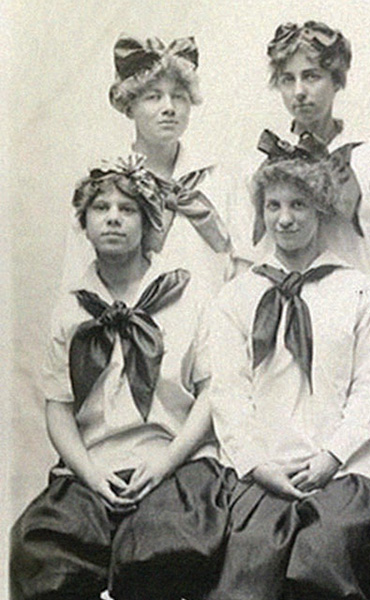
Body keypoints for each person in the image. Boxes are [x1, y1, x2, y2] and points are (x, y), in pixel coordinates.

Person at [10, 156, 227, 600]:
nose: (113, 217)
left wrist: (166, 463)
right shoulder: (71, 309)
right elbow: (59, 407)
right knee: (39, 552)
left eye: (127, 209)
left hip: (175, 465)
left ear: (148, 223)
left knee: (160, 556)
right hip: (92, 468)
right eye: (101, 208)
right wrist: (89, 473)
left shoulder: (189, 296)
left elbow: (210, 394)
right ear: (85, 223)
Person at [203, 131, 370, 600]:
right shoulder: (237, 296)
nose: (285, 219)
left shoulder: (355, 291)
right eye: (273, 206)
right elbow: (227, 393)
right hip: (261, 472)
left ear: (321, 209)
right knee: (251, 562)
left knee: (323, 561)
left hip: (342, 471)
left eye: (299, 205)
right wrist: (258, 465)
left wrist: (332, 457)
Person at [62, 35, 250, 300]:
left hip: (212, 332)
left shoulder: (220, 181)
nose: (169, 108)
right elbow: (78, 280)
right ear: (130, 107)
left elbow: (244, 274)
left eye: (179, 97)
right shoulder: (101, 187)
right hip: (129, 335)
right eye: (153, 97)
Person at [258, 20, 370, 317]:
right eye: (288, 79)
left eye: (311, 77)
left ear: (336, 80)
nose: (299, 91)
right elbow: (254, 259)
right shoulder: (266, 162)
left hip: (355, 317)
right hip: (285, 315)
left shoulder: (368, 161)